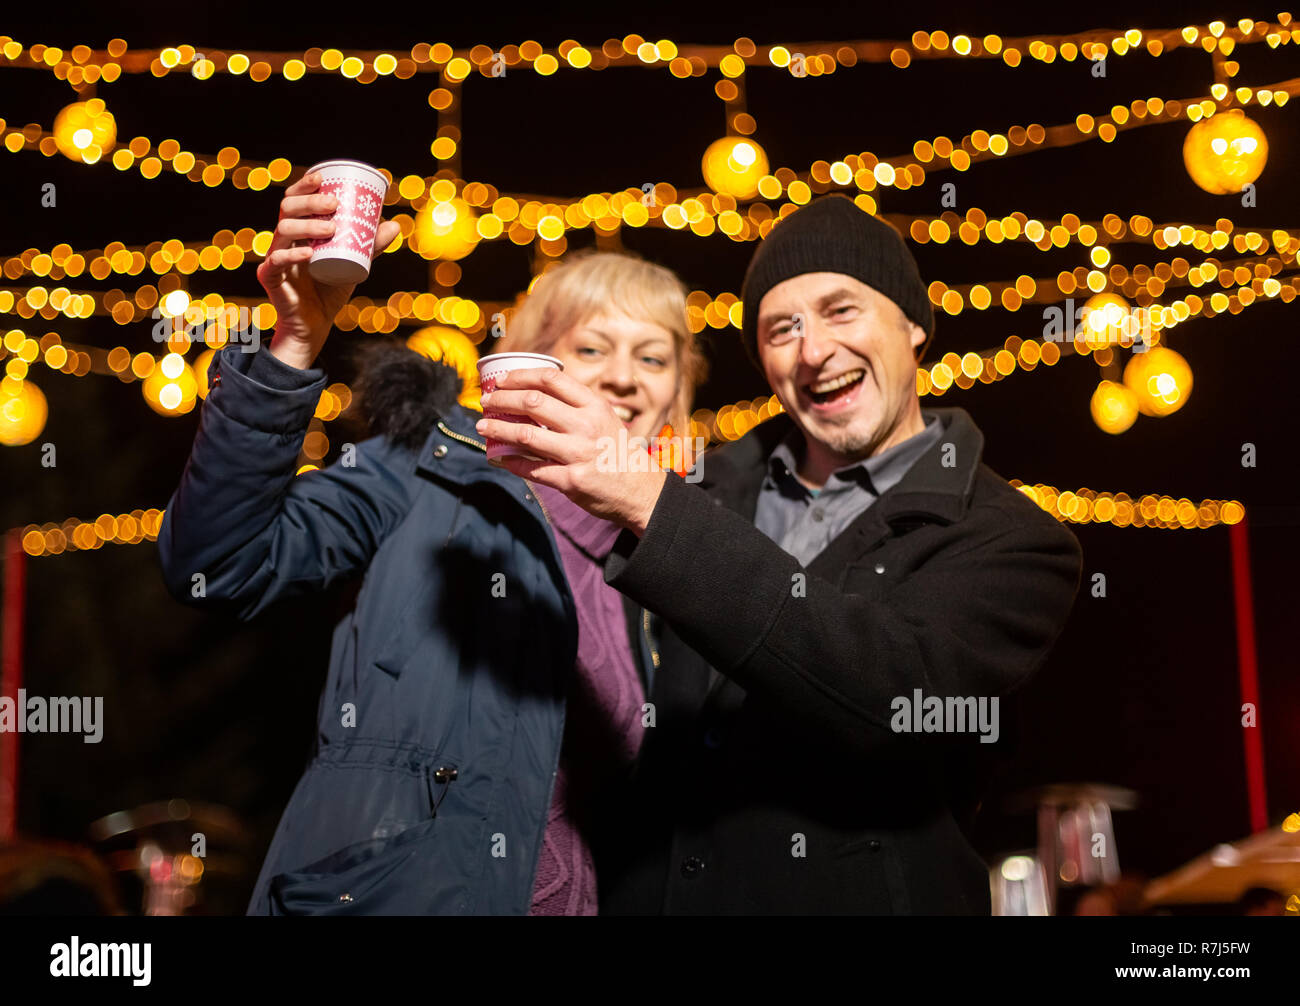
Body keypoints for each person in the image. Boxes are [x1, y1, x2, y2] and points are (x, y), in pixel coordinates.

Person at [477, 193, 1085, 914]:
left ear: (914, 323)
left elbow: (895, 697)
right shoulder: (704, 488)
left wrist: (651, 503)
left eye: (840, 310)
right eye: (781, 328)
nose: (814, 349)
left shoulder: (1013, 539)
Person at [156, 168, 706, 914]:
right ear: (529, 365)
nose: (623, 380)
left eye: (653, 358)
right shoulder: (427, 471)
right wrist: (291, 341)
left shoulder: (669, 569)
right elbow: (215, 568)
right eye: (591, 350)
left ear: (678, 394)